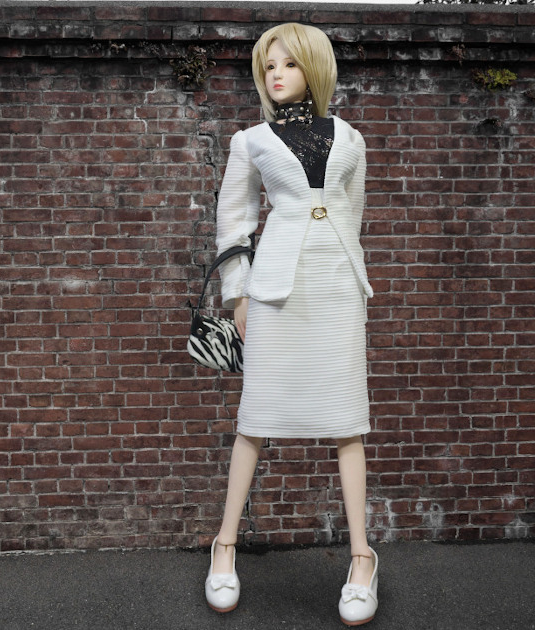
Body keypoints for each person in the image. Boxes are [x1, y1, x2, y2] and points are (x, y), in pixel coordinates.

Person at [203, 23, 379, 626]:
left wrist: (350, 277)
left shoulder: (350, 138)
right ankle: (224, 545)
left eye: (288, 63)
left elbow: (352, 214)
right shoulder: (250, 140)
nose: (276, 74)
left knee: (347, 420)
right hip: (274, 290)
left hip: (337, 287)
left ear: (314, 68)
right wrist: (237, 295)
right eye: (268, 66)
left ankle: (362, 557)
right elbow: (233, 222)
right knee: (255, 418)